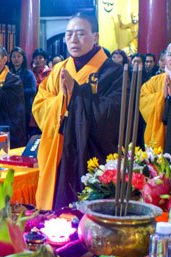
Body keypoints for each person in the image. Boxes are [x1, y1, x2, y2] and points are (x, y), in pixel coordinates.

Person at [32, 12, 123, 210]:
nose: (73, 39)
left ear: (95, 37)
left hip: (91, 154)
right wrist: (63, 101)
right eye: (69, 34)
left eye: (81, 34)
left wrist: (77, 94)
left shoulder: (112, 71)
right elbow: (39, 104)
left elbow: (112, 115)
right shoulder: (59, 70)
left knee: (89, 214)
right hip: (59, 150)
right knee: (60, 212)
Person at [8, 47, 37, 137]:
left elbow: (32, 90)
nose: (16, 59)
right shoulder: (7, 73)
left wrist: (17, 92)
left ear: (23, 58)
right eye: (13, 57)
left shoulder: (29, 73)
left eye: (18, 56)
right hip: (9, 108)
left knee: (23, 132)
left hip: (24, 107)